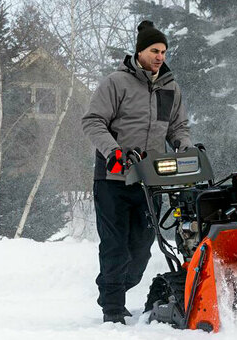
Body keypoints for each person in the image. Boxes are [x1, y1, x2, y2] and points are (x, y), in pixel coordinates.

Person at [81, 20, 192, 324]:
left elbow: (177, 127)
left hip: (150, 179)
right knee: (115, 244)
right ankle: (113, 306)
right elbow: (92, 121)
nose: (160, 56)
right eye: (155, 50)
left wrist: (184, 146)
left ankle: (115, 286)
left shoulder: (170, 87)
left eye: (164, 51)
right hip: (113, 178)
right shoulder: (116, 83)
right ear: (140, 52)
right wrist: (113, 152)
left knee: (141, 247)